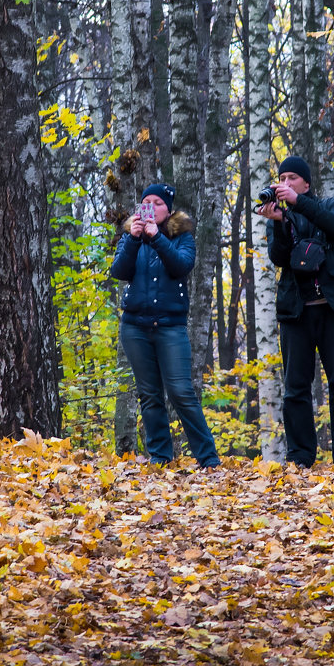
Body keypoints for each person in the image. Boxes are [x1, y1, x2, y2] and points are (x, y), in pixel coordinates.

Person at [255, 156, 334, 466]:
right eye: (281, 178)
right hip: (297, 312)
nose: (285, 183)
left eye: (292, 178)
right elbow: (279, 258)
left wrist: (298, 204)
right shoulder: (280, 216)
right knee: (295, 388)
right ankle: (300, 457)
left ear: (306, 183)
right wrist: (278, 223)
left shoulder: (330, 205)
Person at [110, 183, 220, 469]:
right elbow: (119, 271)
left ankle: (208, 458)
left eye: (157, 202)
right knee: (149, 394)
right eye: (146, 201)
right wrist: (134, 239)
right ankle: (160, 457)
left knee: (181, 392)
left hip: (171, 327)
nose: (150, 207)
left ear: (168, 209)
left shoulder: (182, 237)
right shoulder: (129, 237)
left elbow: (182, 265)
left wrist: (157, 237)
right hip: (135, 326)